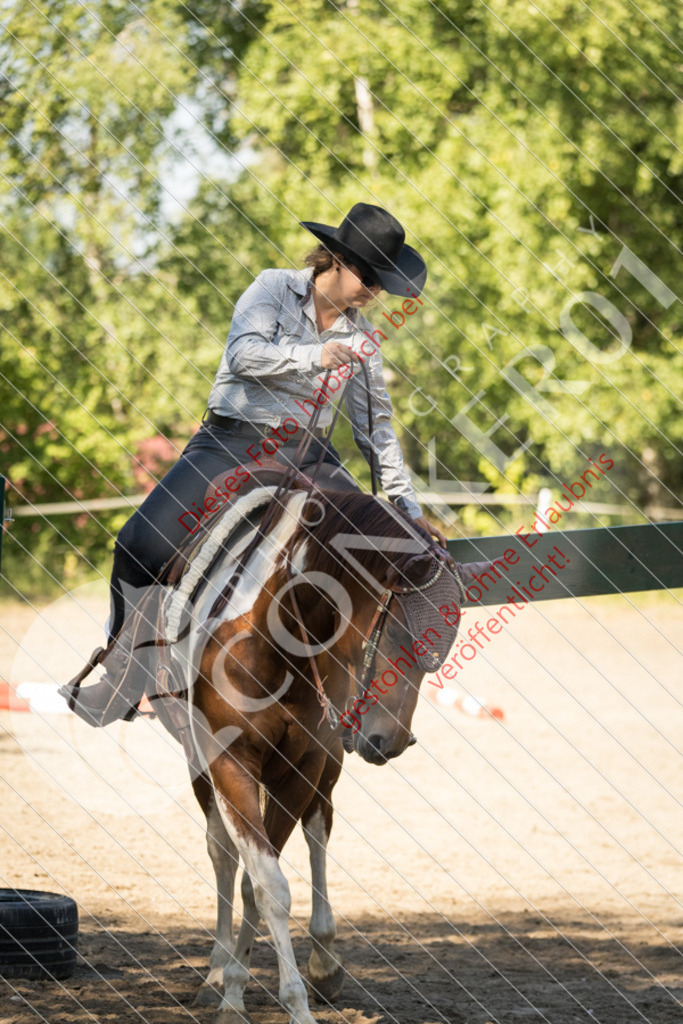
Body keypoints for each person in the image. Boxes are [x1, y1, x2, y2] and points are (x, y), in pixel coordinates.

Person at [62, 202, 447, 725]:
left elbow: (376, 430)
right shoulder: (270, 288)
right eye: (368, 276)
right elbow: (243, 354)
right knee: (139, 543)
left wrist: (406, 508)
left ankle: (360, 696)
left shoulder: (364, 344)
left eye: (382, 285)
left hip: (310, 457)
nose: (373, 292)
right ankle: (123, 678)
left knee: (378, 548)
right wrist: (315, 357)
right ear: (334, 258)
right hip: (231, 442)